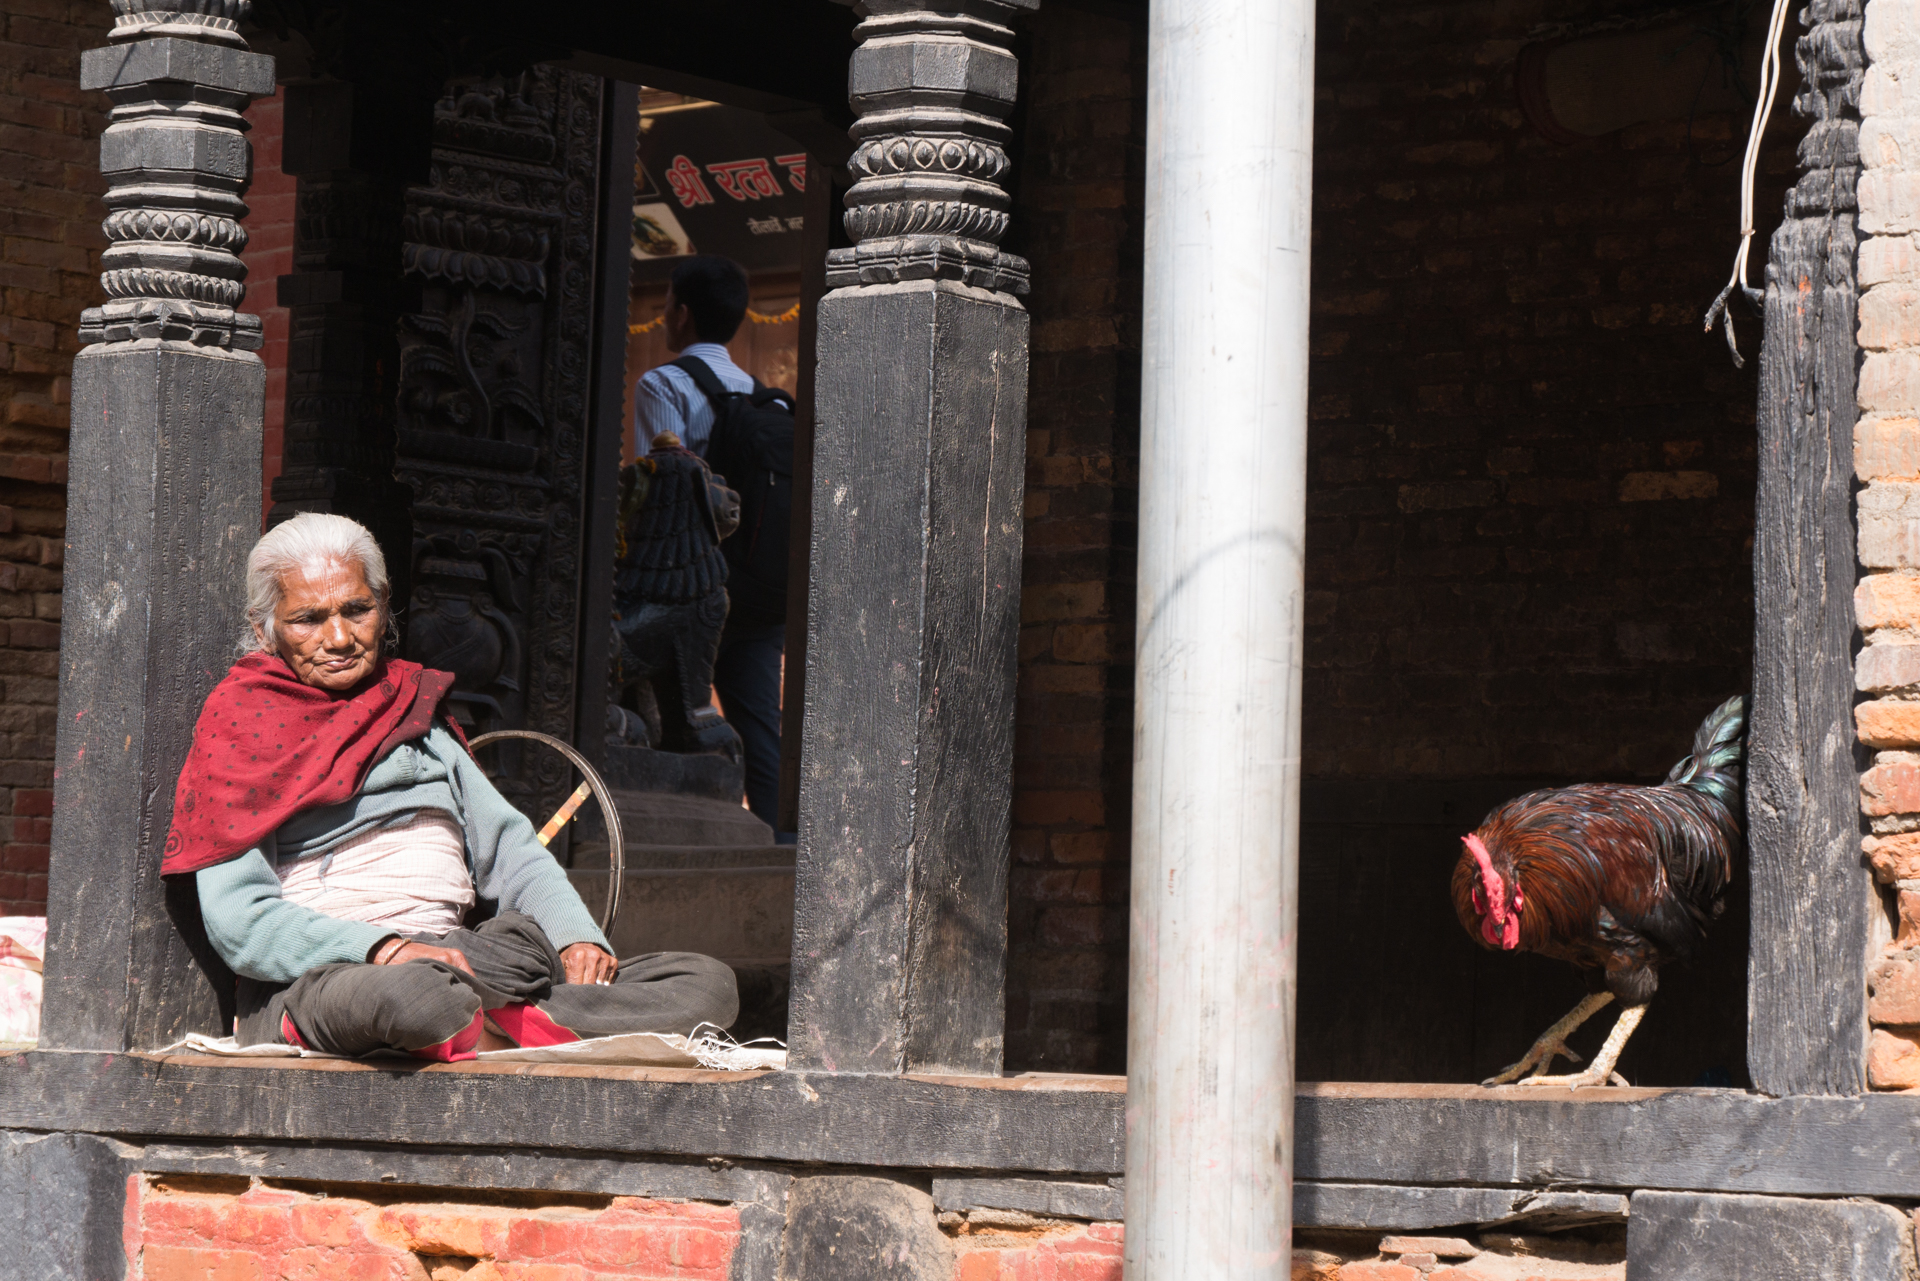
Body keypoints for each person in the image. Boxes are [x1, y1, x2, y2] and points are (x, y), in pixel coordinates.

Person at [165, 512, 738, 1061]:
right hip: (330, 977)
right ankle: (516, 1027)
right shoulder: (238, 726)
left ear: (384, 607)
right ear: (263, 628)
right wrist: (387, 950)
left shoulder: (414, 713)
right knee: (416, 999)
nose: (338, 637)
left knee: (707, 987)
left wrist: (575, 938)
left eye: (357, 610)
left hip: (462, 959)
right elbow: (239, 920)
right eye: (308, 619)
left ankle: (485, 1032)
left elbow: (512, 852)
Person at [633, 256, 790, 837]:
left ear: (683, 314)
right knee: (758, 726)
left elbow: (657, 486)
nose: (665, 313)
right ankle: (779, 850)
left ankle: (680, 837)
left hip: (685, 585)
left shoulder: (662, 384)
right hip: (754, 586)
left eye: (669, 302)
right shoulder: (758, 395)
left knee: (671, 714)